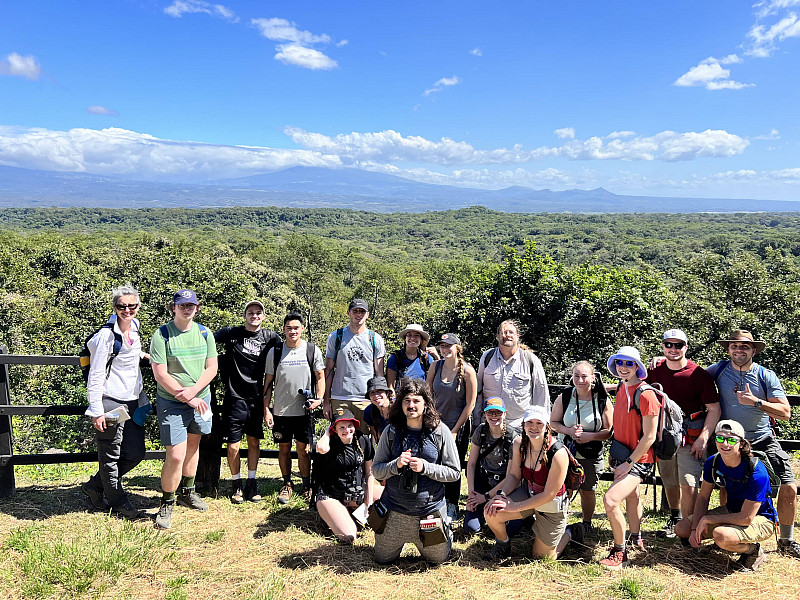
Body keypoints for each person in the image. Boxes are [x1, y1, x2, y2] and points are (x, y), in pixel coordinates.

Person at [705, 329, 799, 558]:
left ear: (753, 350)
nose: (739, 350)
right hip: (730, 441)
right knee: (726, 485)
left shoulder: (765, 375)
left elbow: (785, 412)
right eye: (734, 346)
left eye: (745, 346)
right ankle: (732, 530)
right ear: (728, 349)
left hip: (762, 440)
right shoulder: (718, 370)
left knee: (788, 486)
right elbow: (690, 375)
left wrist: (756, 402)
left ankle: (786, 540)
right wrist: (659, 364)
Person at [372, 378, 460, 564]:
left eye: (416, 401)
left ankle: (445, 532)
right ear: (400, 404)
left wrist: (425, 467)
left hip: (429, 513)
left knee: (439, 561)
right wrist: (395, 465)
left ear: (426, 404)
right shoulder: (391, 431)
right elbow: (377, 471)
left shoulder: (440, 431)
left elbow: (454, 473)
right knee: (381, 559)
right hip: (395, 512)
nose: (411, 405)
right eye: (407, 401)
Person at [150, 289, 218, 530]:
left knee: (192, 447)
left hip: (200, 399)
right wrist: (186, 396)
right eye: (182, 305)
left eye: (191, 305)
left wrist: (194, 392)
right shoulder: (162, 334)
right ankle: (167, 502)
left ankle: (188, 492)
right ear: (174, 308)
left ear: (196, 308)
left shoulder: (204, 333)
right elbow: (160, 373)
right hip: (173, 402)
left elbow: (211, 368)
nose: (187, 309)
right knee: (175, 454)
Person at [81, 284, 149, 519]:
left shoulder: (135, 328)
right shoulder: (106, 337)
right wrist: (97, 411)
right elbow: (96, 375)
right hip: (110, 401)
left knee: (135, 453)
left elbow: (129, 353)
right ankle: (119, 502)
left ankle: (95, 486)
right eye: (122, 306)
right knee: (110, 455)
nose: (127, 310)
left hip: (133, 400)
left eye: (131, 306)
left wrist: (142, 356)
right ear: (114, 307)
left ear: (138, 307)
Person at [674, 420, 778, 572]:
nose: (725, 444)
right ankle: (724, 541)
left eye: (731, 440)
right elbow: (703, 497)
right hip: (732, 511)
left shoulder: (757, 472)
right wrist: (694, 529)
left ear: (741, 444)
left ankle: (753, 551)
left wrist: (708, 519)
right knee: (682, 528)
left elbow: (746, 518)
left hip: (760, 518)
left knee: (721, 535)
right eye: (720, 438)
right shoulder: (713, 462)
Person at [483, 405, 582, 561]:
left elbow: (549, 495)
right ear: (523, 425)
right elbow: (514, 476)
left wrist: (514, 506)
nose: (534, 427)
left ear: (547, 426)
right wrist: (501, 495)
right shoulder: (519, 443)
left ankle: (570, 532)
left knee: (542, 558)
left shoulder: (558, 453)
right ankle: (503, 545)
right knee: (492, 511)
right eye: (530, 422)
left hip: (551, 506)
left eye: (539, 423)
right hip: (529, 493)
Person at [647, 328, 720, 537]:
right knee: (669, 478)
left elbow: (714, 408)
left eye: (678, 345)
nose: (672, 349)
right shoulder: (654, 370)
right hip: (664, 433)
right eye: (668, 344)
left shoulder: (698, 374)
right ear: (662, 346)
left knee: (689, 483)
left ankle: (690, 529)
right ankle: (676, 518)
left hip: (691, 434)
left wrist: (704, 438)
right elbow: (632, 382)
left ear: (686, 347)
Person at [214, 300, 281, 504]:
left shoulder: (270, 337)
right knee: (233, 445)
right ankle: (236, 484)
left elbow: (287, 352)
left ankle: (251, 483)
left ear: (263, 316)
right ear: (245, 315)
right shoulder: (231, 333)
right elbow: (204, 339)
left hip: (256, 398)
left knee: (254, 441)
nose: (254, 315)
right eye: (250, 312)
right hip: (234, 398)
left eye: (258, 312)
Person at [599, 346, 659, 570]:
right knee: (632, 497)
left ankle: (620, 551)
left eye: (629, 363)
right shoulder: (622, 388)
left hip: (638, 460)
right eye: (620, 363)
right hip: (623, 455)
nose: (623, 367)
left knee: (611, 500)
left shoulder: (646, 395)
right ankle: (635, 538)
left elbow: (650, 436)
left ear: (638, 367)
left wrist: (629, 463)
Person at [264, 312, 325, 504]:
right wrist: (266, 409)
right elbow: (267, 384)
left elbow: (321, 377)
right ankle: (287, 484)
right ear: (283, 329)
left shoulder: (312, 350)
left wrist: (320, 399)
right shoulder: (275, 352)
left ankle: (306, 485)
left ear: (302, 329)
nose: (292, 331)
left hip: (303, 411)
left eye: (296, 328)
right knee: (283, 449)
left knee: (303, 450)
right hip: (281, 411)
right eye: (289, 328)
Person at [550, 360, 613, 532]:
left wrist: (590, 436)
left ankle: (587, 523)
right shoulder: (565, 396)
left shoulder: (602, 399)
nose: (580, 380)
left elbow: (609, 431)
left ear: (593, 378)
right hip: (565, 452)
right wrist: (569, 431)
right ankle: (559, 522)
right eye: (576, 376)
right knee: (562, 488)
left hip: (591, 453)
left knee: (587, 490)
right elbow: (553, 423)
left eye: (584, 376)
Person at [426, 332, 477, 520]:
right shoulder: (435, 366)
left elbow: (470, 404)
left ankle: (452, 504)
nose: (445, 349)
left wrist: (454, 430)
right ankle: (434, 502)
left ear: (458, 348)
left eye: (449, 346)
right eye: (442, 346)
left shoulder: (468, 371)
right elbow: (428, 396)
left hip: (459, 427)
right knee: (433, 462)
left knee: (453, 465)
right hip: (435, 425)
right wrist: (431, 421)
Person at [313, 408, 382, 544]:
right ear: (334, 429)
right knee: (349, 537)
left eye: (350, 426)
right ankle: (332, 514)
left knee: (391, 496)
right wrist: (328, 430)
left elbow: (370, 473)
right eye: (341, 427)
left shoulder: (362, 439)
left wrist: (368, 503)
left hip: (356, 491)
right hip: (331, 495)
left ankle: (351, 511)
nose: (347, 430)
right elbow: (321, 449)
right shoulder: (329, 443)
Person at [323, 299, 386, 433]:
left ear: (367, 314)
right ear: (348, 313)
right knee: (340, 441)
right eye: (355, 311)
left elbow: (379, 375)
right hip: (339, 398)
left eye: (362, 312)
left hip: (365, 399)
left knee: (365, 440)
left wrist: (381, 403)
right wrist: (326, 402)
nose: (359, 315)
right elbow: (328, 371)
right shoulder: (336, 337)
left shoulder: (375, 339)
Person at [475, 319, 549, 428]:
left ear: (517, 336)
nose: (507, 335)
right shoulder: (487, 358)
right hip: (490, 424)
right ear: (497, 336)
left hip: (519, 425)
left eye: (511, 332)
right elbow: (478, 391)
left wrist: (541, 423)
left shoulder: (530, 360)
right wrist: (476, 421)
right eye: (504, 332)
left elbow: (541, 395)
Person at [463, 397, 520, 537]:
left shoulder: (513, 437)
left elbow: (510, 476)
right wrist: (472, 495)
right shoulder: (481, 432)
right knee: (471, 528)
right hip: (483, 480)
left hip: (504, 486)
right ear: (484, 414)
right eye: (490, 413)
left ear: (505, 414)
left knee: (511, 529)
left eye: (498, 412)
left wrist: (486, 497)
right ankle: (482, 513)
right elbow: (471, 464)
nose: (494, 416)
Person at [386, 324, 434, 390]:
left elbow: (431, 384)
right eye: (409, 335)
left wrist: (437, 357)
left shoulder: (426, 358)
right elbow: (390, 386)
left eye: (416, 336)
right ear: (405, 338)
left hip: (420, 398)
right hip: (401, 398)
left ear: (421, 339)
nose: (412, 338)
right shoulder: (395, 357)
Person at [362, 376, 393, 445]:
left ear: (387, 393)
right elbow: (377, 438)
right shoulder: (369, 411)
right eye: (372, 393)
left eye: (379, 391)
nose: (376, 396)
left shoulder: (398, 407)